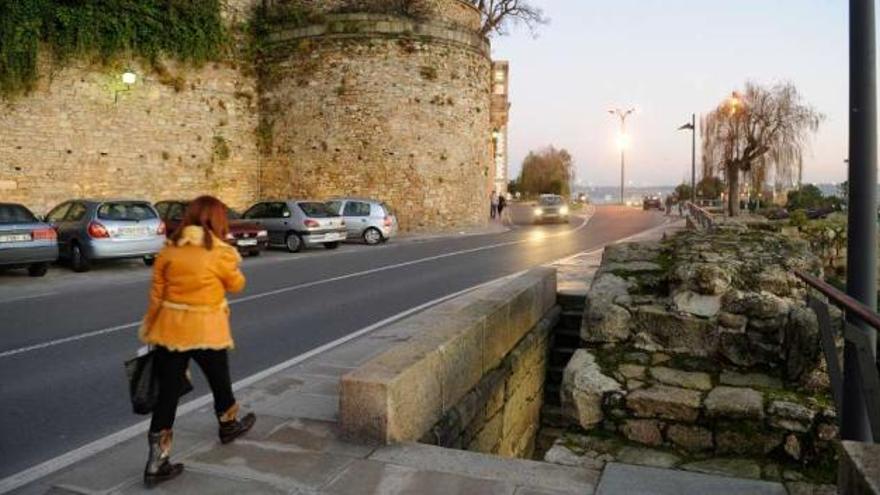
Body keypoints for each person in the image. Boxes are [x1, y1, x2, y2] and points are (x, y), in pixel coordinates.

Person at [139, 195, 255, 487]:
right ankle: (228, 424)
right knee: (219, 380)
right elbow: (237, 285)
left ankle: (156, 462)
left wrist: (150, 329)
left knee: (167, 394)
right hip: (207, 328)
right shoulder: (219, 251)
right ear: (217, 220)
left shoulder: (169, 250)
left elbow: (156, 297)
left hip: (170, 329)